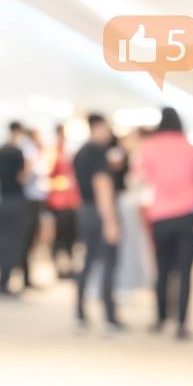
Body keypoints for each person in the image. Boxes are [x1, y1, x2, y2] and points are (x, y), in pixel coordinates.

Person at [134, 107, 193, 340]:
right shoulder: (191, 147)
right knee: (185, 271)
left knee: (162, 270)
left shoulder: (149, 147)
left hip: (160, 215)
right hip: (187, 215)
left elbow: (141, 178)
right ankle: (182, 322)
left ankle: (161, 317)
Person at [74, 113, 124, 332]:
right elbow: (101, 184)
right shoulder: (97, 152)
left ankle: (80, 313)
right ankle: (109, 317)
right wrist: (110, 220)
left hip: (84, 210)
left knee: (88, 261)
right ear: (98, 126)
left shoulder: (80, 152)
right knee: (107, 263)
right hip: (98, 210)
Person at [0, 122, 27, 298]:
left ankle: (1, 282)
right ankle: (5, 283)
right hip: (15, 200)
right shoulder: (17, 152)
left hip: (1, 200)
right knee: (13, 243)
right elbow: (22, 177)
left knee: (2, 241)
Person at [46, 124, 80, 280]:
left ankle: (69, 265)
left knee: (70, 235)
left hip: (70, 200)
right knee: (60, 236)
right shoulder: (53, 152)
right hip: (58, 200)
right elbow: (49, 174)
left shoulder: (68, 151)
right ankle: (60, 266)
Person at [18, 128, 46, 289]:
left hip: (34, 199)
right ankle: (25, 277)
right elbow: (26, 174)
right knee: (28, 238)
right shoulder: (29, 150)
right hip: (30, 200)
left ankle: (27, 276)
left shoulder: (33, 150)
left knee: (31, 238)